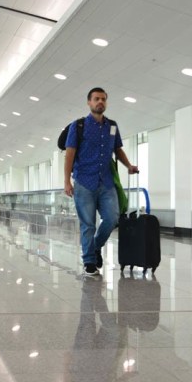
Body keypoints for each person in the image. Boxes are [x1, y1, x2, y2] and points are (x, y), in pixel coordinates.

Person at [64, 87, 138, 276]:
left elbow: (118, 149)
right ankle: (89, 261)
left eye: (103, 99)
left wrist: (129, 165)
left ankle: (95, 246)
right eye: (96, 99)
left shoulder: (112, 126)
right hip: (84, 181)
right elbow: (70, 154)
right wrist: (67, 181)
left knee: (113, 218)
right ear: (89, 102)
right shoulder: (78, 126)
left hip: (106, 182)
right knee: (88, 224)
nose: (100, 102)